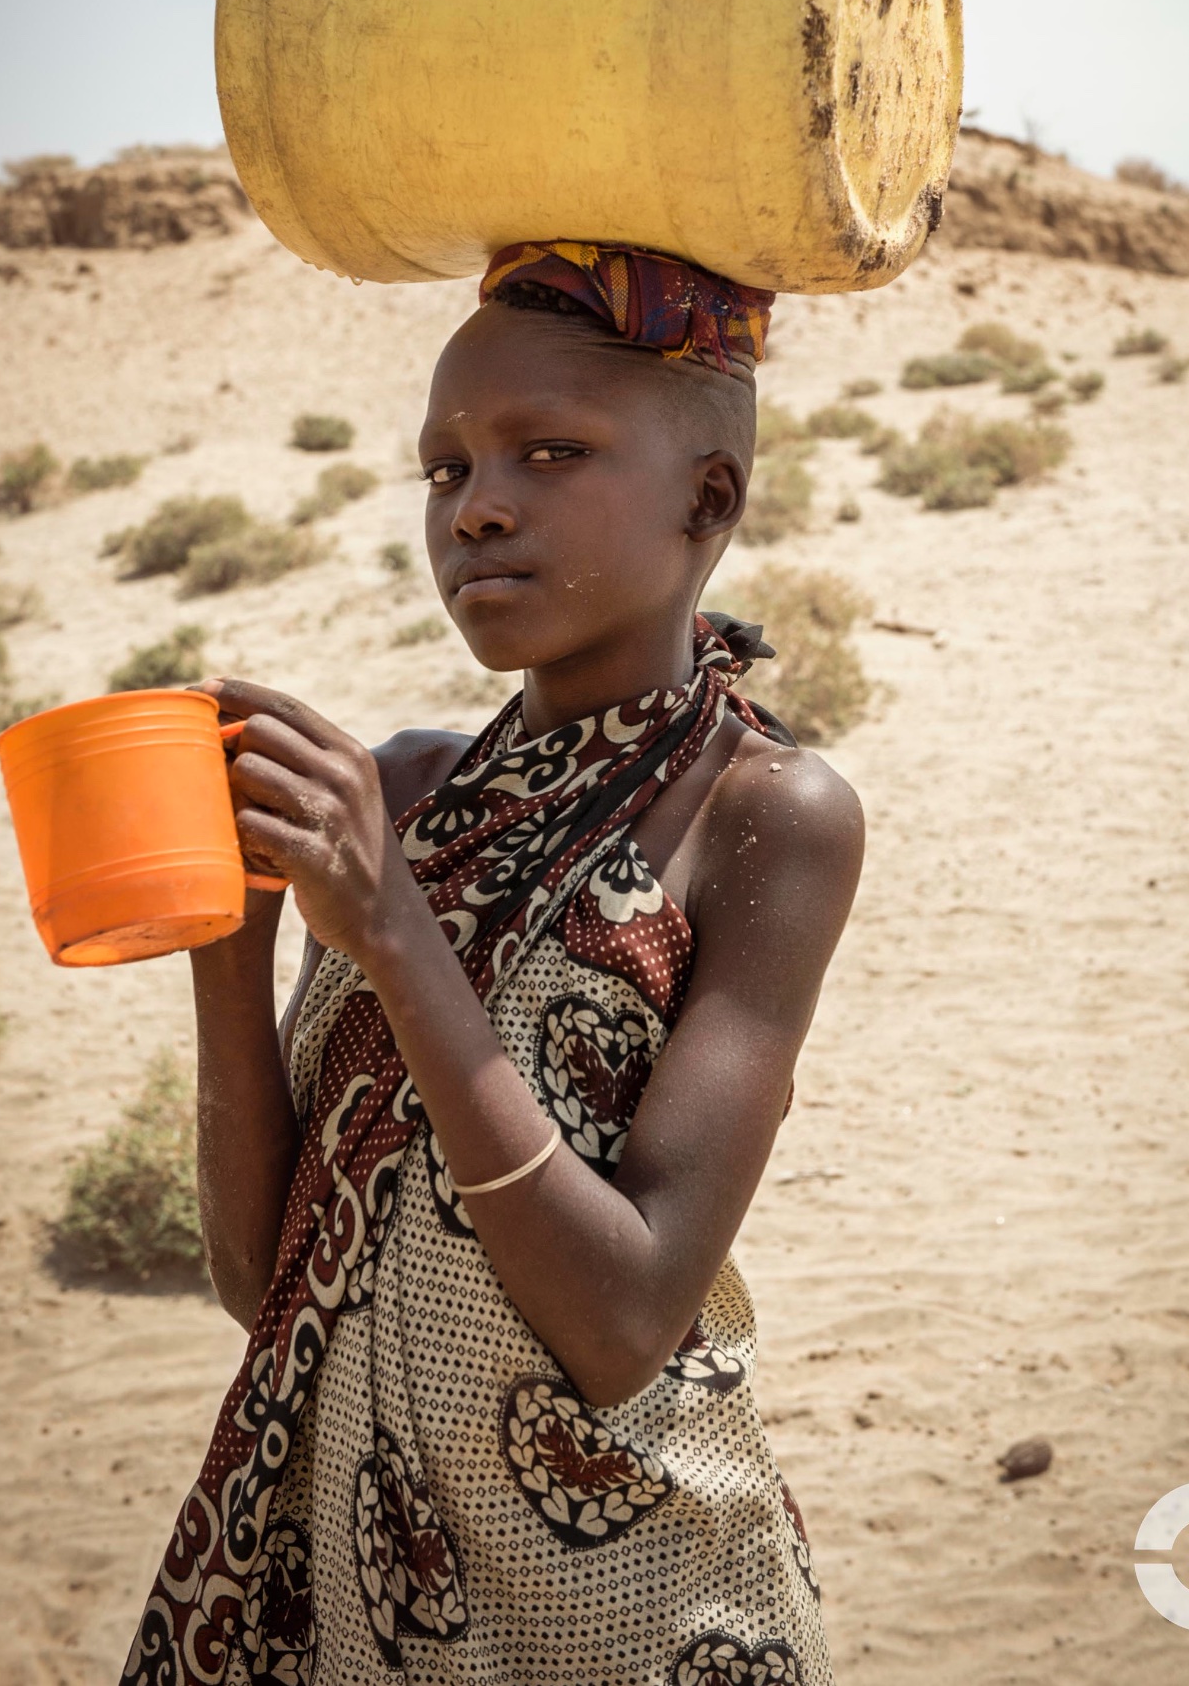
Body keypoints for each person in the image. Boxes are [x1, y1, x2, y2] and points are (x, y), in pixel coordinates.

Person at [123, 242, 864, 1686]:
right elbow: (255, 1276)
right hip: (350, 1593)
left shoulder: (768, 814)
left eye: (549, 450)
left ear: (709, 496)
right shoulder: (401, 790)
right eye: (444, 470)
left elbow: (626, 1319)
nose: (481, 507)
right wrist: (233, 931)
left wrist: (394, 931)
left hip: (636, 1607)